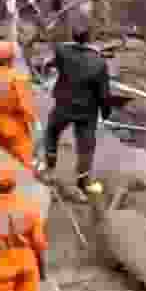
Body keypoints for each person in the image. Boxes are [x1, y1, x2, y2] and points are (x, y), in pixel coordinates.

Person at [43, 27, 112, 193]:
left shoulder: (62, 51)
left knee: (52, 132)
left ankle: (50, 168)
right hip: (87, 111)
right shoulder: (99, 62)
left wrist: (47, 73)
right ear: (89, 39)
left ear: (73, 37)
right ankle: (83, 182)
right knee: (86, 146)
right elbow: (103, 93)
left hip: (63, 105)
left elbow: (50, 63)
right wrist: (106, 112)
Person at [0, 40, 38, 169]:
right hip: (15, 125)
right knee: (24, 163)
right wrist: (34, 125)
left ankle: (4, 184)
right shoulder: (19, 78)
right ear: (12, 57)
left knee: (2, 162)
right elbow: (26, 107)